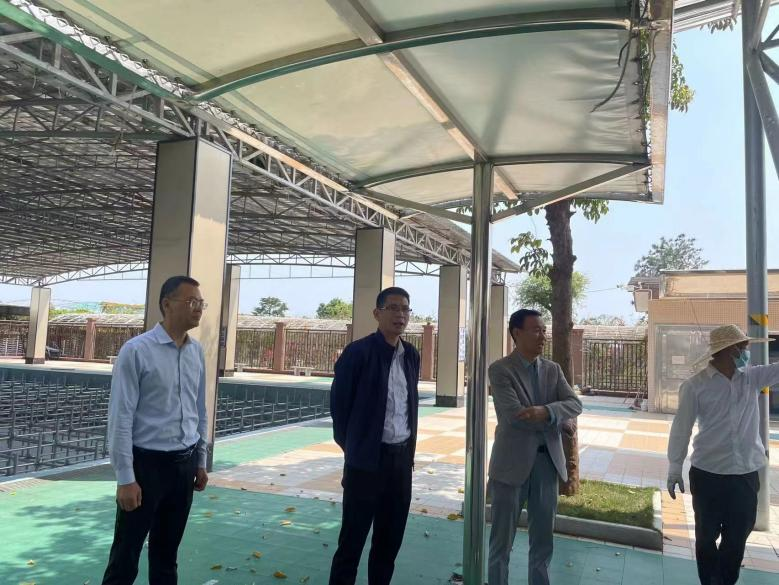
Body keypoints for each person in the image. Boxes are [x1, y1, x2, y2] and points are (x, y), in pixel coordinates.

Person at [102, 275, 209, 585]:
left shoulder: (196, 351)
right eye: (191, 302)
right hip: (146, 467)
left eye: (201, 303)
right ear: (167, 304)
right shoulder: (137, 351)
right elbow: (121, 417)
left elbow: (199, 410)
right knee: (125, 558)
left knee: (166, 557)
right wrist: (126, 478)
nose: (198, 308)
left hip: (184, 466)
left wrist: (200, 461)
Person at [667, 324, 776, 585]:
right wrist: (674, 467)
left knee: (737, 538)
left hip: (745, 475)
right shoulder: (695, 386)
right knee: (706, 537)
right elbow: (681, 428)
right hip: (708, 475)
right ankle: (709, 580)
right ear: (729, 350)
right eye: (743, 347)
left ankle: (725, 581)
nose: (746, 352)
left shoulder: (751, 378)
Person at [328, 287, 420, 585]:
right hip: (366, 463)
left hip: (400, 462)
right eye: (393, 308)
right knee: (351, 543)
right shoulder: (358, 353)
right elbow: (339, 408)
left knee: (388, 544)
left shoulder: (411, 355)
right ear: (377, 313)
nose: (400, 315)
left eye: (405, 309)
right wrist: (356, 449)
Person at [487, 309, 583, 585]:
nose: (543, 336)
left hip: (547, 464)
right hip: (511, 465)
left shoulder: (553, 369)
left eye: (544, 330)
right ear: (517, 333)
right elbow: (513, 415)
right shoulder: (500, 370)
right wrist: (557, 419)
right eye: (536, 330)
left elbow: (575, 404)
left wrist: (545, 412)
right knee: (501, 542)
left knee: (543, 541)